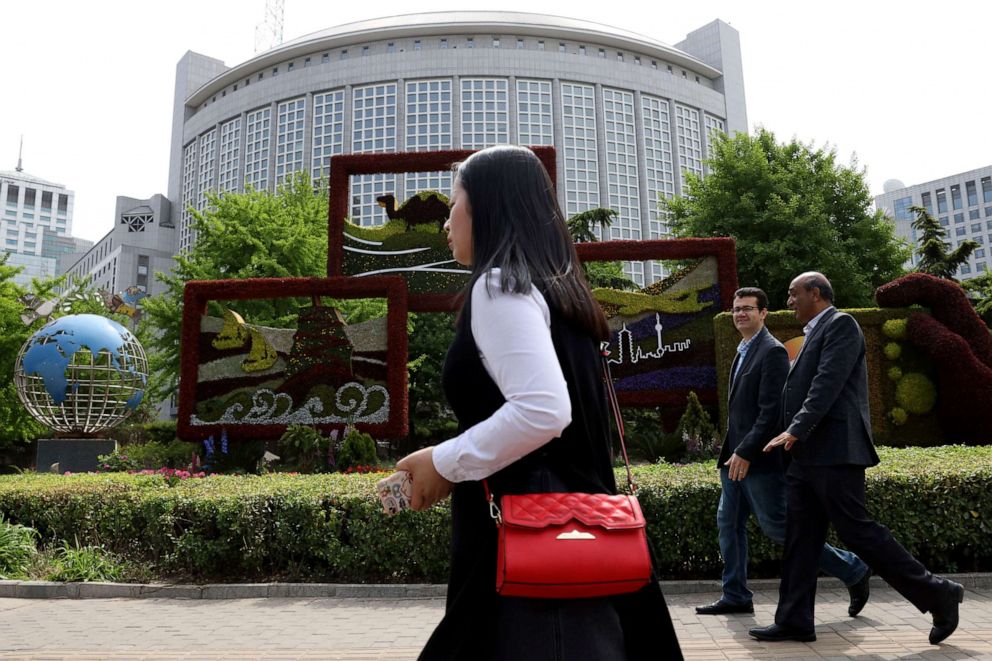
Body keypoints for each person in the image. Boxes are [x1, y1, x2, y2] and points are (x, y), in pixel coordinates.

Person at [396, 145, 683, 660]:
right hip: (582, 532)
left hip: (530, 543)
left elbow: (542, 411)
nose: (446, 220)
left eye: (455, 201)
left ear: (486, 206)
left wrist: (443, 462)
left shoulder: (500, 284)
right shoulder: (561, 292)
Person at [749, 272, 965, 645]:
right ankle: (795, 620)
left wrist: (796, 428)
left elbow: (827, 383)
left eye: (793, 294)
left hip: (834, 450)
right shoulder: (817, 330)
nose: (789, 301)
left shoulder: (841, 325)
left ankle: (938, 593)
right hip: (806, 455)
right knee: (800, 538)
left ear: (815, 293)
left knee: (858, 532)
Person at [696, 287, 871, 617]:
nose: (740, 314)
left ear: (764, 313)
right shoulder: (743, 351)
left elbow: (771, 412)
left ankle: (852, 569)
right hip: (733, 460)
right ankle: (735, 595)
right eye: (736, 309)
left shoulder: (772, 351)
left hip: (758, 459)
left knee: (778, 527)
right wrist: (733, 452)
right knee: (728, 524)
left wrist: (746, 451)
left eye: (748, 308)